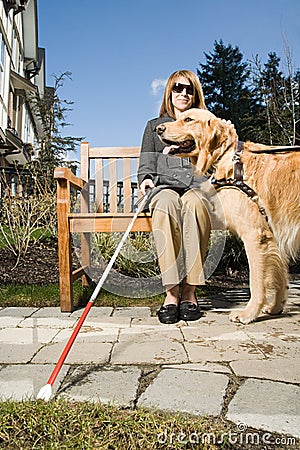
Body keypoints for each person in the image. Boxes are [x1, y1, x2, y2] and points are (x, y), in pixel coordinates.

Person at [138, 70, 212, 324]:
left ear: (195, 94)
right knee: (167, 203)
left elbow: (212, 164)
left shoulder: (204, 125)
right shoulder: (154, 126)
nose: (183, 93)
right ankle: (171, 293)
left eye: (189, 89)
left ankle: (190, 293)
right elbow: (146, 167)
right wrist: (146, 179)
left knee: (195, 204)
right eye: (178, 88)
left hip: (196, 188)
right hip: (164, 189)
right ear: (169, 92)